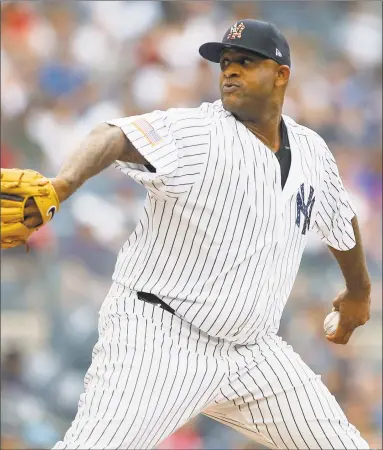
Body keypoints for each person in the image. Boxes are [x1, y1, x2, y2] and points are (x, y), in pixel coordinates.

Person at [22, 19, 371, 449]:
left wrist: (359, 292)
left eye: (246, 61)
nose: (230, 71)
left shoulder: (312, 151)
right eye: (225, 62)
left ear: (282, 75)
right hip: (162, 337)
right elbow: (112, 135)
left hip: (253, 352)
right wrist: (61, 185)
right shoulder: (199, 133)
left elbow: (340, 218)